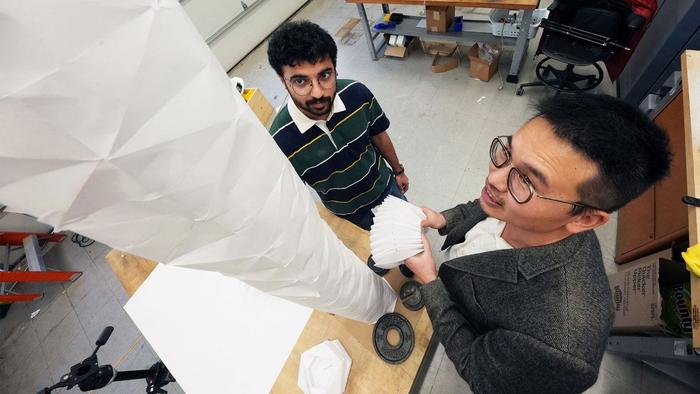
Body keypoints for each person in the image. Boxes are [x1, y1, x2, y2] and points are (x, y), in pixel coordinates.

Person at [405, 93, 671, 393]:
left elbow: (477, 368)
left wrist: (430, 282)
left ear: (585, 219)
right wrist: (443, 219)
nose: (494, 178)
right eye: (507, 152)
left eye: (528, 181)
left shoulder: (561, 347)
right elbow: (486, 205)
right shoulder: (520, 200)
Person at [267, 20, 408, 231]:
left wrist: (398, 171)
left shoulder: (357, 94)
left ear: (335, 69)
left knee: (410, 240)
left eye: (325, 75)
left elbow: (379, 135)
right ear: (282, 80)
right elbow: (294, 198)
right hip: (348, 216)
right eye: (300, 81)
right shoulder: (280, 140)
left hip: (387, 190)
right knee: (376, 259)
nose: (318, 93)